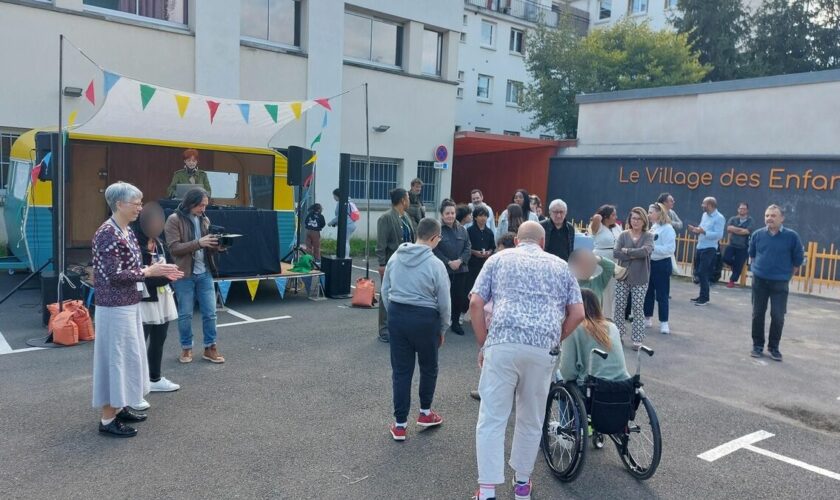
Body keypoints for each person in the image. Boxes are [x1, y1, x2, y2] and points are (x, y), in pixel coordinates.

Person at [470, 221, 584, 500]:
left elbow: (475, 303)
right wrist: (557, 337)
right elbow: (578, 313)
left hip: (503, 344)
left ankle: (486, 491)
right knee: (531, 418)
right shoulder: (560, 266)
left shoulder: (498, 259)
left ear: (518, 241)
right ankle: (522, 485)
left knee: (492, 418)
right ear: (543, 243)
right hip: (542, 348)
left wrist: (484, 342)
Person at [92, 182, 182, 437]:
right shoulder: (107, 233)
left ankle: (119, 408)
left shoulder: (126, 230)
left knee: (128, 359)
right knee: (115, 361)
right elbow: (114, 274)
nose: (141, 208)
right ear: (119, 204)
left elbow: (134, 267)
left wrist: (160, 270)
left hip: (130, 303)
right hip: (114, 307)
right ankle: (108, 420)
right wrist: (148, 271)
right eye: (136, 203)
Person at [381, 217, 451, 441]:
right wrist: (443, 328)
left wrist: (393, 312)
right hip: (425, 319)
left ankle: (400, 424)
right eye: (439, 238)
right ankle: (425, 413)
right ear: (433, 237)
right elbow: (444, 302)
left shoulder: (396, 257)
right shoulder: (436, 264)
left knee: (401, 371)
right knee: (429, 367)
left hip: (398, 315)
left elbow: (385, 289)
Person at [164, 188, 226, 364]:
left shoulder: (204, 219)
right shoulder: (173, 220)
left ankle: (210, 347)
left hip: (204, 272)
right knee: (185, 314)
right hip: (183, 274)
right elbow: (174, 248)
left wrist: (218, 246)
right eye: (200, 205)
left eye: (205, 205)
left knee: (211, 313)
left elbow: (207, 246)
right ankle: (186, 349)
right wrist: (199, 243)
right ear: (190, 203)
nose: (203, 209)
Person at [132, 203, 181, 396]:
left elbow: (169, 264)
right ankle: (136, 385)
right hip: (143, 299)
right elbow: (139, 275)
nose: (156, 225)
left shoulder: (160, 242)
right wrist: (166, 275)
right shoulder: (135, 244)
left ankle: (155, 378)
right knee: (138, 343)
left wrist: (171, 273)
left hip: (163, 296)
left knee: (159, 339)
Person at [748, 205, 804, 362]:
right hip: (759, 281)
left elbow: (797, 261)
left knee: (778, 316)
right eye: (767, 215)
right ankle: (757, 346)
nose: (769, 218)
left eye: (773, 215)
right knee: (757, 314)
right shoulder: (758, 235)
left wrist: (786, 277)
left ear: (782, 218)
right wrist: (757, 270)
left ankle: (774, 347)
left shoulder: (792, 237)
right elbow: (752, 255)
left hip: (780, 283)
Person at [468, 232, 514, 402]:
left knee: (490, 356)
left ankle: (487, 389)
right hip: (509, 320)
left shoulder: (494, 263)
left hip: (494, 316)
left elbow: (476, 299)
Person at [560, 289, 629, 386]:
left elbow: (568, 373)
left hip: (592, 387)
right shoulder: (612, 327)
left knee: (559, 375)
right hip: (622, 384)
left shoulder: (574, 328)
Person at [376, 188, 417, 343]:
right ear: (402, 200)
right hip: (391, 262)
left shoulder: (405, 216)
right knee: (386, 294)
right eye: (408, 198)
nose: (409, 201)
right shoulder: (385, 218)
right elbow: (381, 244)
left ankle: (399, 327)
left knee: (403, 294)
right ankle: (384, 329)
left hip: (407, 263)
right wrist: (381, 263)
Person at [613, 207, 654, 350]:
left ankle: (637, 339)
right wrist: (634, 254)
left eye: (638, 219)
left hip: (641, 278)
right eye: (633, 218)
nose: (635, 221)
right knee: (619, 307)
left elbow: (646, 251)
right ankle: (618, 335)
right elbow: (616, 253)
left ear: (644, 221)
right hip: (622, 276)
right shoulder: (623, 235)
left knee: (637, 308)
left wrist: (628, 251)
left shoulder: (648, 236)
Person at [434, 199, 471, 336]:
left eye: (452, 213)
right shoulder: (437, 230)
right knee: (443, 297)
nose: (450, 215)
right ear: (442, 214)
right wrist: (448, 262)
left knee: (458, 298)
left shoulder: (462, 230)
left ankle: (455, 323)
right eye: (447, 213)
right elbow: (434, 249)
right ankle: (440, 323)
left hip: (461, 270)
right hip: (444, 270)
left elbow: (468, 247)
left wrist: (460, 260)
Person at [644, 203, 676, 335]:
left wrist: (652, 248)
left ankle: (664, 322)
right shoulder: (653, 227)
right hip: (650, 263)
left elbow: (669, 249)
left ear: (659, 213)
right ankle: (647, 318)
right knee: (648, 292)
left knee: (662, 294)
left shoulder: (668, 229)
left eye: (651, 212)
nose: (648, 214)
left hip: (662, 264)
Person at [688, 197, 726, 306]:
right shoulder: (704, 215)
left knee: (703, 272)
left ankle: (704, 298)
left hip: (710, 248)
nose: (702, 205)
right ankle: (701, 296)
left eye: (704, 204)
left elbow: (719, 235)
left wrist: (704, 232)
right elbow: (701, 228)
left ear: (710, 205)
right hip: (700, 246)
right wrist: (696, 229)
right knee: (699, 272)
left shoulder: (719, 218)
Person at [589, 204, 623, 321]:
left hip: (615, 258)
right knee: (600, 286)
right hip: (600, 258)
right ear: (606, 216)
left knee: (611, 288)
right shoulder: (598, 226)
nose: (615, 216)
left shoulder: (617, 227)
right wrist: (600, 215)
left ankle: (608, 316)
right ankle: (595, 313)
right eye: (613, 214)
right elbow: (597, 217)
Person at [466, 205, 495, 325]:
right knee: (470, 287)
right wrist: (475, 252)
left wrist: (489, 252)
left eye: (485, 215)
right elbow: (467, 247)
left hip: (484, 264)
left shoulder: (489, 232)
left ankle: (482, 314)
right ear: (475, 217)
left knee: (483, 289)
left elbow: (493, 247)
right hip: (472, 263)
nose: (483, 218)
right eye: (480, 215)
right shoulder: (470, 231)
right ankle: (467, 312)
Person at [724, 202, 753, 288]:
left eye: (744, 209)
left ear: (747, 210)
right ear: (738, 209)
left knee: (739, 265)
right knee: (726, 258)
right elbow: (729, 228)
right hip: (732, 244)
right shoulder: (733, 219)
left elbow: (747, 231)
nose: (742, 210)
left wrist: (734, 229)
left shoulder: (750, 220)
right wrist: (741, 230)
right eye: (740, 208)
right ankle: (734, 266)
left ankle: (732, 281)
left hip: (743, 246)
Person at [327, 188, 358, 258]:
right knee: (344, 241)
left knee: (345, 241)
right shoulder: (349, 201)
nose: (333, 198)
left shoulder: (342, 202)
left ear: (337, 195)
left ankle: (346, 256)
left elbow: (340, 215)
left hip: (347, 225)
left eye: (334, 196)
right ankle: (342, 255)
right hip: (351, 224)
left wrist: (331, 223)